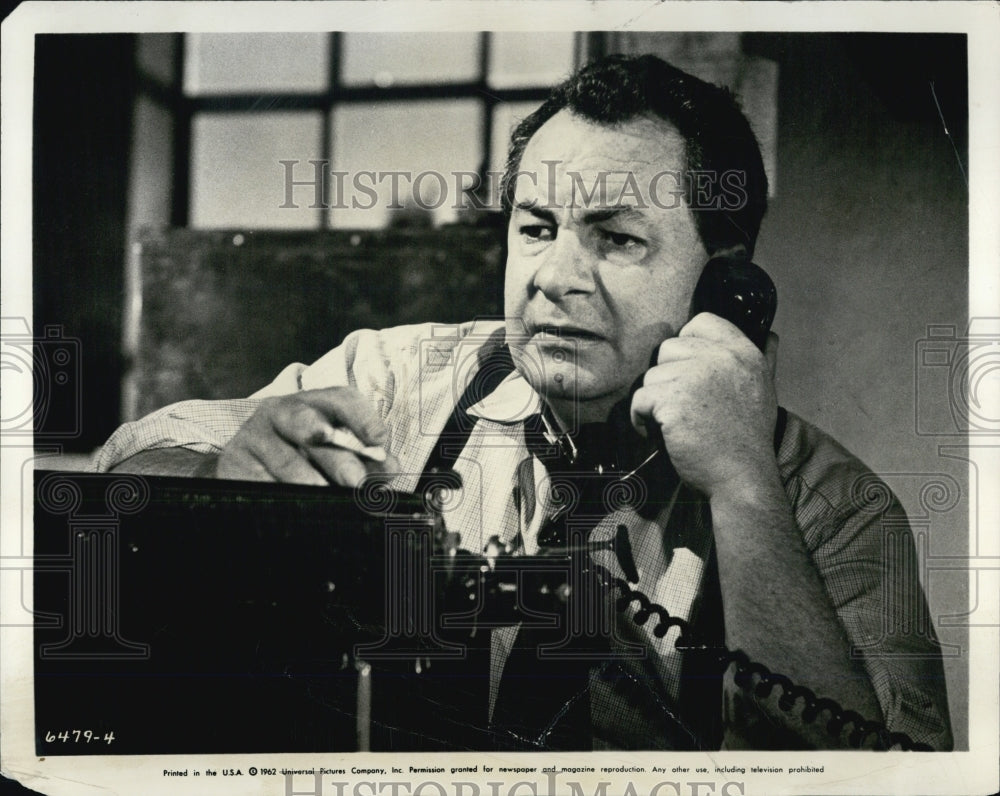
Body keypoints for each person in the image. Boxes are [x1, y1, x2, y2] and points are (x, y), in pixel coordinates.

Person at [95, 54, 952, 751]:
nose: (553, 278)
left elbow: (882, 775)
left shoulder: (841, 511)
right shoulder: (400, 377)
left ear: (726, 281)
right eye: (536, 229)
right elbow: (126, 460)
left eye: (617, 239)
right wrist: (222, 469)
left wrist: (742, 488)